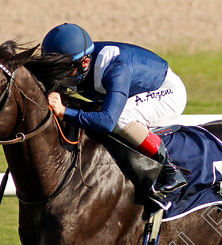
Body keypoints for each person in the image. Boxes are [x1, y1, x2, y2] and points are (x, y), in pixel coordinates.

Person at [41, 23, 188, 197]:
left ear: (85, 62)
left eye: (62, 69)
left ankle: (169, 169)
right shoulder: (76, 59)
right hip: (133, 90)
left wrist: (65, 112)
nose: (57, 74)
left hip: (167, 93)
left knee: (120, 118)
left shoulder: (115, 68)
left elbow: (107, 122)